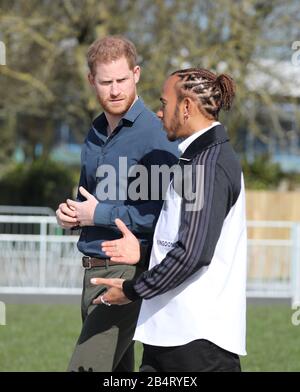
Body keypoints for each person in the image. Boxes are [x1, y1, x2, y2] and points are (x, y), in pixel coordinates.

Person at [91, 67, 247, 372]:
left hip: (196, 346)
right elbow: (188, 243)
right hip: (172, 337)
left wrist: (131, 290)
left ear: (186, 107)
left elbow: (193, 254)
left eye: (164, 103)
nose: (159, 113)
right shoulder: (196, 159)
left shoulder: (208, 166)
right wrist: (145, 253)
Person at [55, 36, 178, 372]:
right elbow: (87, 198)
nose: (114, 90)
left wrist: (99, 213)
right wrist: (71, 215)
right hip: (91, 269)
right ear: (91, 80)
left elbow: (164, 215)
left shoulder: (156, 134)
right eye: (106, 82)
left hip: (127, 271)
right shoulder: (94, 133)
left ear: (136, 74)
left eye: (122, 80)